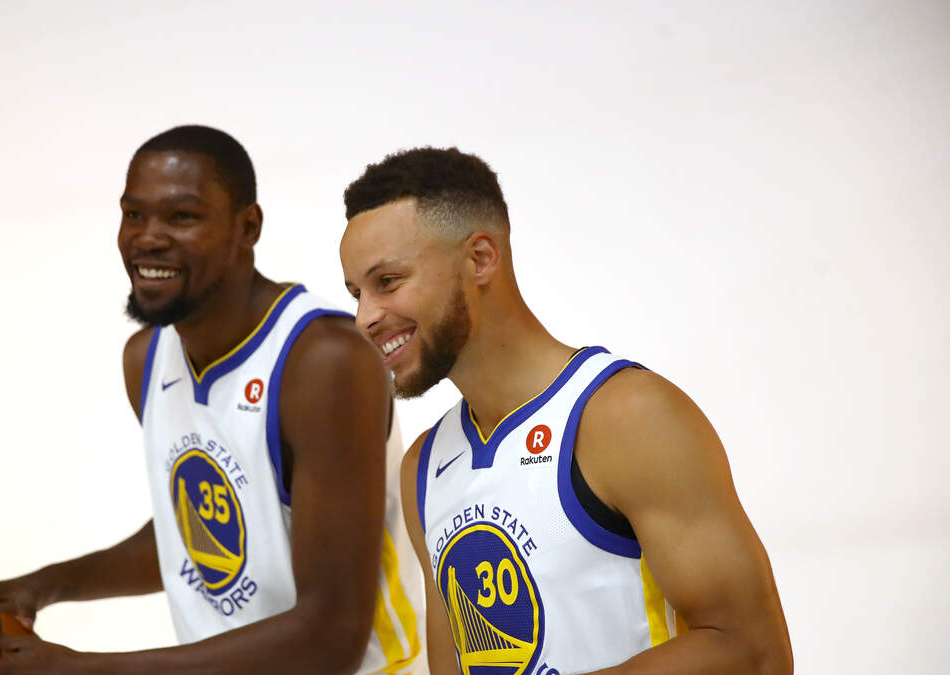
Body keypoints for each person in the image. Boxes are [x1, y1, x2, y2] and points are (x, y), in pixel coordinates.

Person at [0, 126, 426, 675]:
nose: (147, 238)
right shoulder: (147, 360)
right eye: (133, 214)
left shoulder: (322, 361)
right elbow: (195, 538)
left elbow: (331, 638)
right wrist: (36, 588)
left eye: (181, 216)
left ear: (247, 227)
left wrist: (79, 669)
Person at [339, 147, 792, 674]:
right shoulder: (423, 467)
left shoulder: (625, 415)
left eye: (388, 282)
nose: (365, 317)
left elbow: (754, 651)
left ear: (481, 258)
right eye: (356, 293)